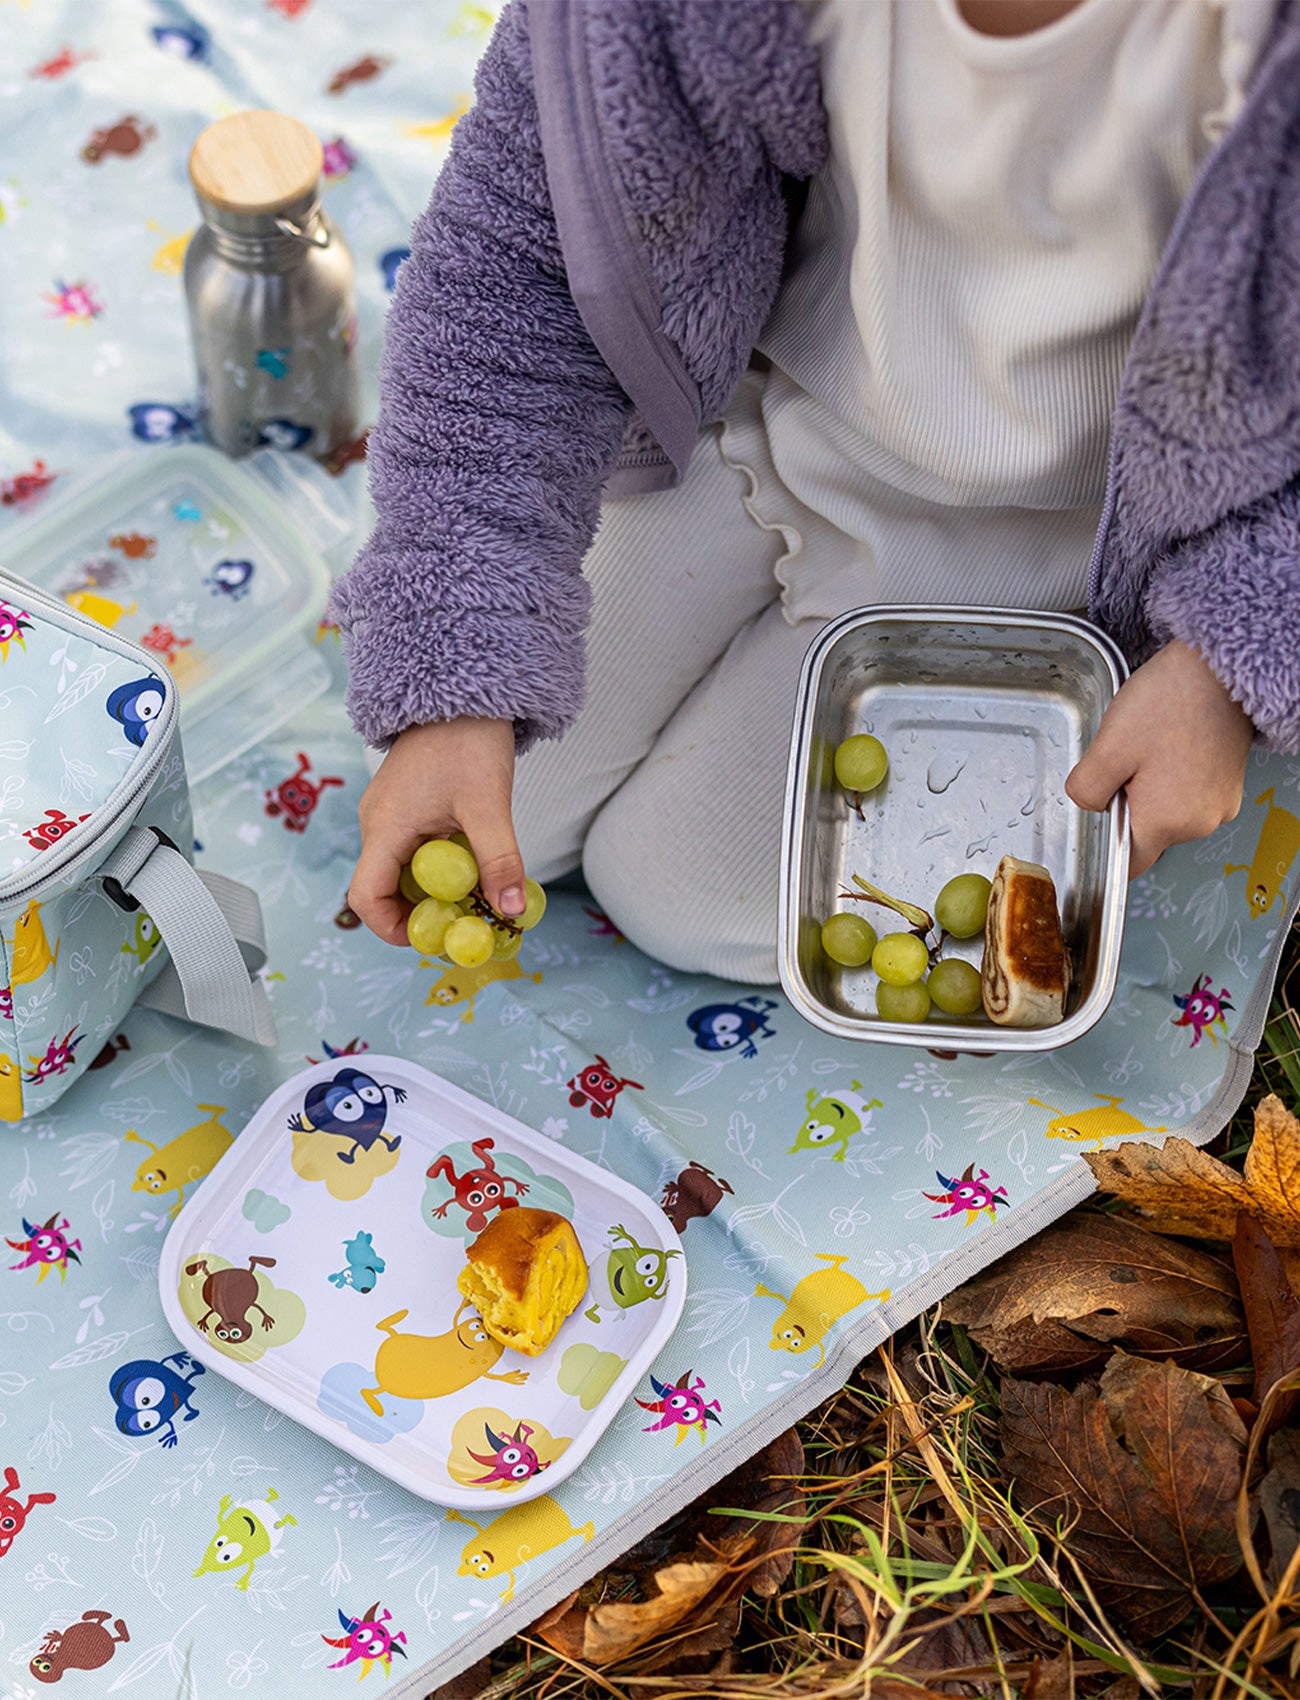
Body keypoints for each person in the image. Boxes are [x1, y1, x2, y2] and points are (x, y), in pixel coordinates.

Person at [332, 0, 1300, 984]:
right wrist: (453, 644)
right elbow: (521, 250)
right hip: (758, 398)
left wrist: (1231, 655)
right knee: (499, 810)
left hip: (1064, 539)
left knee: (676, 893)